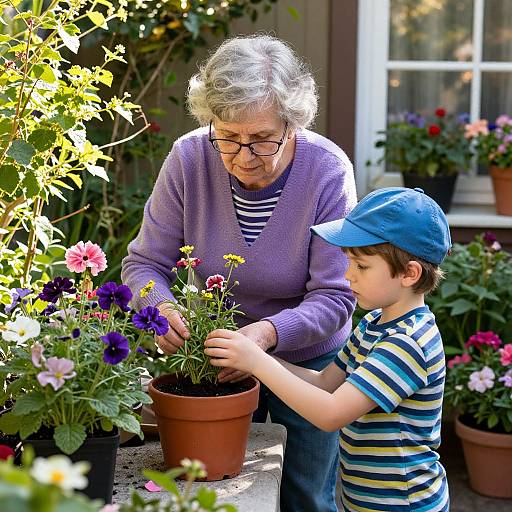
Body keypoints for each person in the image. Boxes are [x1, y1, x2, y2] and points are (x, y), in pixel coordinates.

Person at [121, 35, 357, 512]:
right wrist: (161, 307)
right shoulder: (189, 157)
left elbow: (336, 296)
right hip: (214, 359)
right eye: (227, 137)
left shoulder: (327, 170)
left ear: (293, 124)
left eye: (262, 139)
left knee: (305, 497)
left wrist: (266, 337)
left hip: (307, 368)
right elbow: (144, 263)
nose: (244, 157)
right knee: (216, 494)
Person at [205, 187, 451, 511]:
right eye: (348, 262)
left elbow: (331, 413)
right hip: (365, 500)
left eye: (361, 267)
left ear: (410, 273)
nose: (348, 275)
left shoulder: (409, 343)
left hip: (404, 503)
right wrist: (259, 357)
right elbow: (324, 383)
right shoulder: (375, 323)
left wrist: (259, 363)